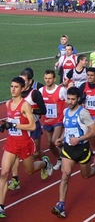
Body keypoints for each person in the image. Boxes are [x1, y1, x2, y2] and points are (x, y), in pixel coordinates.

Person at [0, 77, 53, 219]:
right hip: (12, 142)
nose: (13, 89)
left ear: (23, 89)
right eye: (11, 86)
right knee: (4, 173)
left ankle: (44, 163)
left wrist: (14, 126)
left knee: (29, 170)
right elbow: (12, 121)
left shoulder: (25, 105)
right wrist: (6, 125)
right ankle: (1, 207)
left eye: (16, 87)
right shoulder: (8, 104)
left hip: (25, 143)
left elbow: (32, 126)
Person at [51, 87, 95, 219]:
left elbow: (93, 131)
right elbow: (67, 129)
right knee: (65, 175)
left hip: (81, 149)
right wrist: (61, 138)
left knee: (86, 175)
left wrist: (79, 139)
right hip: (68, 149)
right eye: (68, 99)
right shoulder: (65, 111)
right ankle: (61, 205)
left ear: (78, 99)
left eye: (72, 99)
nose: (70, 102)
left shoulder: (83, 113)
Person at [8, 69, 47, 191]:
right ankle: (15, 179)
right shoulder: (16, 95)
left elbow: (43, 111)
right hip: (18, 130)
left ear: (30, 81)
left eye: (23, 81)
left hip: (32, 126)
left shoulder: (34, 94)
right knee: (14, 154)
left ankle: (45, 163)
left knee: (36, 154)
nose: (20, 84)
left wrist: (29, 111)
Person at [39, 69, 68, 171]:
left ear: (54, 79)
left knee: (54, 141)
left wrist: (68, 114)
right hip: (47, 121)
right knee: (50, 144)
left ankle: (65, 157)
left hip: (58, 121)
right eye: (46, 78)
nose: (48, 80)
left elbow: (68, 101)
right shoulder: (41, 91)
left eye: (50, 78)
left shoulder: (61, 90)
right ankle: (59, 158)